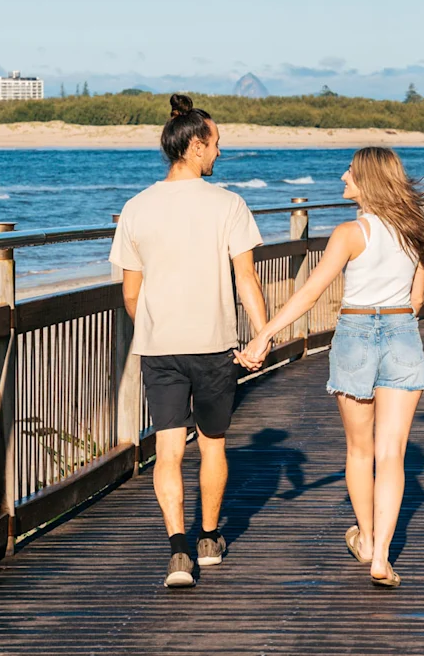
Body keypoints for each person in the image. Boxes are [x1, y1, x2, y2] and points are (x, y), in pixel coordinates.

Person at [238, 146, 424, 588]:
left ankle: (365, 540)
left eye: (350, 171)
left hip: (357, 335)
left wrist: (265, 334)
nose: (343, 176)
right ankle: (381, 556)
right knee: (392, 454)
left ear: (367, 180)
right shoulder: (415, 231)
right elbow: (417, 299)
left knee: (360, 451)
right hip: (402, 333)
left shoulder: (350, 232)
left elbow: (309, 293)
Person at [110, 94, 268, 589]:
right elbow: (246, 280)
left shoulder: (136, 208)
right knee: (214, 445)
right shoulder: (229, 205)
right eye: (216, 144)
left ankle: (178, 552)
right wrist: (261, 335)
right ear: (196, 146)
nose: (219, 152)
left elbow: (131, 293)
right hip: (214, 343)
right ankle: (208, 539)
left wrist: (158, 322)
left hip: (160, 346)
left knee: (169, 447)